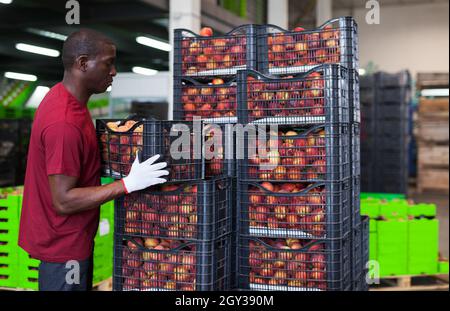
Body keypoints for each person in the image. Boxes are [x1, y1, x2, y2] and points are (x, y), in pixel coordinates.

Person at [18, 29, 169, 291]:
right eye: (108, 63)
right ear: (83, 63)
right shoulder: (64, 122)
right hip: (64, 251)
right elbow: (64, 200)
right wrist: (127, 184)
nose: (114, 71)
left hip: (68, 242)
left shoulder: (65, 100)